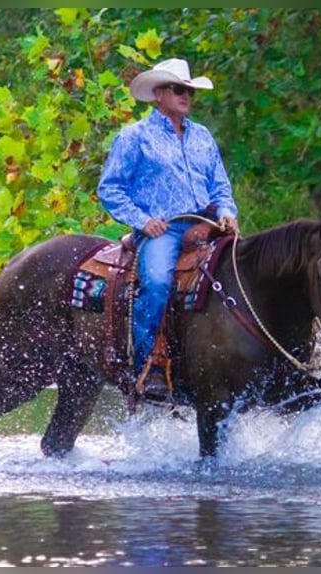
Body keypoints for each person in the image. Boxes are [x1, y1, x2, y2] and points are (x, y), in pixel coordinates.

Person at [97, 57, 239, 402]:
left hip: (207, 225)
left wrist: (227, 212)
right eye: (178, 89)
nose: (186, 95)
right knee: (158, 283)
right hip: (164, 230)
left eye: (189, 90)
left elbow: (220, 186)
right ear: (158, 93)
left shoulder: (202, 137)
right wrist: (144, 220)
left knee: (244, 273)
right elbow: (110, 188)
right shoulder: (134, 137)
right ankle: (148, 365)